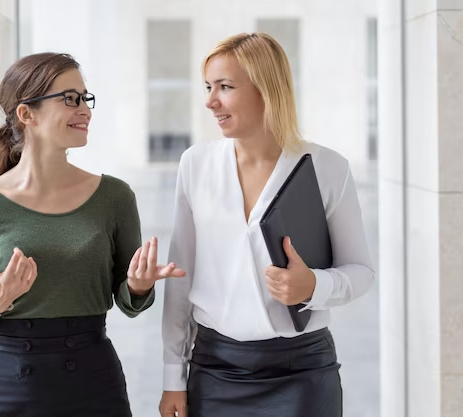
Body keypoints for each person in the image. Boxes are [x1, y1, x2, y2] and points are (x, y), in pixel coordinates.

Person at [0, 52, 184, 417]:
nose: (85, 110)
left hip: (94, 381)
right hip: (10, 386)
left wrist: (138, 285)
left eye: (85, 99)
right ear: (27, 114)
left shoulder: (115, 197)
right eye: (70, 99)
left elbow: (128, 302)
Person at [159, 32, 375, 417]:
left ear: (266, 90)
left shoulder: (327, 167)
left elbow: (361, 272)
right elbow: (180, 280)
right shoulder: (196, 164)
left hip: (302, 374)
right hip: (214, 370)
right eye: (209, 87)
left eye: (225, 87)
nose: (210, 101)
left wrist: (314, 286)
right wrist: (173, 377)